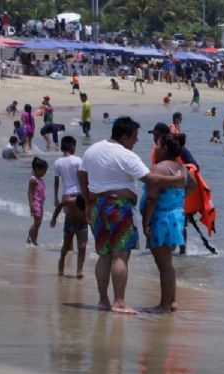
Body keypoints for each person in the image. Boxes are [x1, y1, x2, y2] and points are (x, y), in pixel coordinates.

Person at [77, 117, 184, 314]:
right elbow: (150, 178)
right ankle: (119, 302)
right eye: (134, 137)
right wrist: (174, 178)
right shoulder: (125, 155)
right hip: (119, 207)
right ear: (124, 136)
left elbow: (82, 175)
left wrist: (88, 200)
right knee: (120, 255)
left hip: (98, 206)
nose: (136, 141)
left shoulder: (92, 149)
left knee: (104, 254)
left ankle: (103, 300)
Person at [141, 134, 190, 313]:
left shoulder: (158, 168)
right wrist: (177, 201)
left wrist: (145, 222)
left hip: (161, 218)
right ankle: (173, 301)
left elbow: (152, 198)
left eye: (158, 144)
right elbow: (191, 185)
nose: (155, 147)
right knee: (168, 262)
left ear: (165, 149)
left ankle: (163, 305)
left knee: (164, 264)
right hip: (176, 217)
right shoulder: (182, 168)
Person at [50, 135, 87, 277]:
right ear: (73, 147)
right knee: (78, 219)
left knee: (72, 219)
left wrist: (55, 197)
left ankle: (69, 247)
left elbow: (56, 181)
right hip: (78, 194)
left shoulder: (58, 162)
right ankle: (70, 248)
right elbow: (82, 179)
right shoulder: (78, 160)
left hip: (65, 195)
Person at [27, 157, 48, 246]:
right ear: (36, 169)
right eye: (43, 171)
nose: (45, 173)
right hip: (36, 204)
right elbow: (29, 192)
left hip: (40, 204)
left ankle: (33, 240)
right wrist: (31, 204)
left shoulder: (40, 179)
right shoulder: (33, 179)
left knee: (38, 224)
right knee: (37, 223)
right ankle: (30, 240)